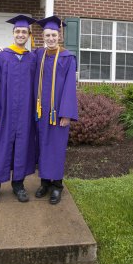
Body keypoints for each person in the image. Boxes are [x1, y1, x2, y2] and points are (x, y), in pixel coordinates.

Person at [0, 15, 37, 203]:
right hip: (4, 112)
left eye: (24, 32)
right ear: (13, 33)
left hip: (25, 114)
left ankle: (18, 184)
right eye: (18, 31)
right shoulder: (1, 55)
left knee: (22, 147)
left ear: (29, 35)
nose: (21, 34)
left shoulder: (32, 59)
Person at [34, 15, 78, 205]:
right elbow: (20, 59)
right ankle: (44, 183)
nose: (51, 38)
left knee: (57, 148)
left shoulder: (68, 58)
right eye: (47, 35)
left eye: (54, 35)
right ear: (43, 36)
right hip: (40, 112)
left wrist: (66, 114)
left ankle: (57, 186)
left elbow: (70, 87)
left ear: (59, 36)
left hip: (58, 113)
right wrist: (2, 50)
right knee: (42, 146)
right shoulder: (38, 55)